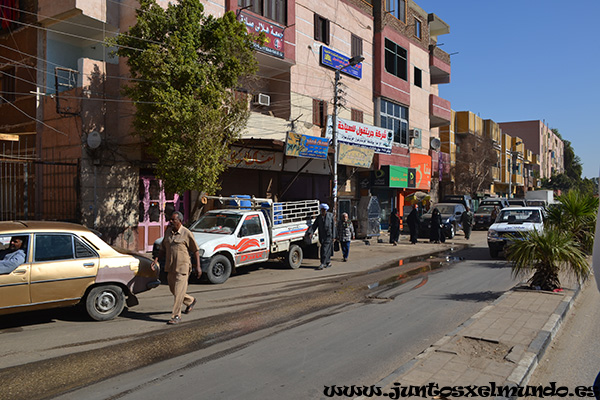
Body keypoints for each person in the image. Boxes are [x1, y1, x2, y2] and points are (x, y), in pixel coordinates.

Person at [153, 211, 200, 325]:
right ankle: (190, 301)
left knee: (179, 292)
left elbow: (195, 250)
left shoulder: (186, 233)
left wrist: (198, 267)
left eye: (173, 220)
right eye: (170, 219)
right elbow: (163, 248)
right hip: (170, 266)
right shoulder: (168, 232)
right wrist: (156, 259)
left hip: (183, 267)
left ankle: (176, 316)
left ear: (180, 221)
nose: (171, 221)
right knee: (174, 290)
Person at [310, 203, 335, 270]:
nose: (322, 211)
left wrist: (334, 236)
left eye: (324, 210)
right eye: (321, 210)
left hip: (329, 235)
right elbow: (314, 226)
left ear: (326, 210)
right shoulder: (319, 217)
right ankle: (328, 262)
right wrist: (311, 233)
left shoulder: (330, 216)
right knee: (327, 249)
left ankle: (323, 263)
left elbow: (333, 227)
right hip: (322, 236)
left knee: (324, 249)